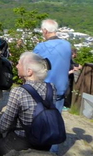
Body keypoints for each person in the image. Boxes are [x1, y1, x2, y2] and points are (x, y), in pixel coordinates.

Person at [0, 52, 54, 155]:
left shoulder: (19, 91)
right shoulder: (51, 88)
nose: (16, 66)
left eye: (19, 63)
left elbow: (6, 122)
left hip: (23, 140)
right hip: (46, 139)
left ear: (29, 71)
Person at [33, 18, 72, 154]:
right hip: (61, 88)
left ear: (44, 31)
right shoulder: (67, 45)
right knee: (56, 118)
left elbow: (32, 66)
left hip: (45, 89)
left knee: (40, 119)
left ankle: (39, 148)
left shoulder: (41, 47)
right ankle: (53, 150)